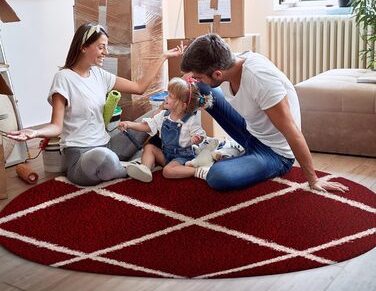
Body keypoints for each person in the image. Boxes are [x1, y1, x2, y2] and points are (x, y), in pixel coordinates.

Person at [7, 23, 184, 186]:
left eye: (106, 47)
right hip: (82, 158)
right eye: (101, 47)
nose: (106, 52)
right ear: (83, 47)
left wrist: (163, 57)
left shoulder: (100, 75)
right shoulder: (63, 78)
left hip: (108, 145)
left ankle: (133, 164)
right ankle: (134, 165)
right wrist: (35, 132)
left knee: (157, 113)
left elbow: (139, 87)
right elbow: (56, 126)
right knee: (104, 157)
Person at [180, 33, 349, 193]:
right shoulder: (226, 61)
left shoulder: (261, 80)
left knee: (217, 176)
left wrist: (313, 179)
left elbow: (292, 132)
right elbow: (195, 78)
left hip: (274, 153)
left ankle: (236, 157)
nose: (197, 78)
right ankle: (231, 151)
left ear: (217, 74)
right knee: (197, 87)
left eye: (200, 76)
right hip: (250, 131)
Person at [118, 76, 213, 182]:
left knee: (167, 172)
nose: (166, 98)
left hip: (182, 158)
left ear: (182, 105)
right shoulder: (163, 115)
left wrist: (197, 138)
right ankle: (145, 169)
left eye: (170, 96)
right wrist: (129, 124)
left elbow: (200, 135)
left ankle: (197, 171)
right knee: (149, 148)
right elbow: (147, 126)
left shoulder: (190, 120)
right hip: (166, 154)